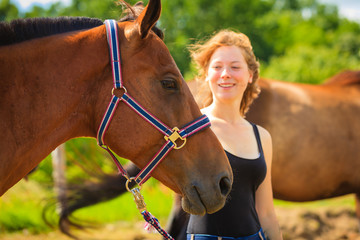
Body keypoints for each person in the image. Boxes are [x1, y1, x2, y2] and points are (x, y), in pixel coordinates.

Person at [186, 30, 283, 240]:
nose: (225, 74)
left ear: (250, 75)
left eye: (235, 67)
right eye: (217, 67)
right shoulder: (192, 127)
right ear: (206, 75)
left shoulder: (262, 136)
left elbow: (266, 211)